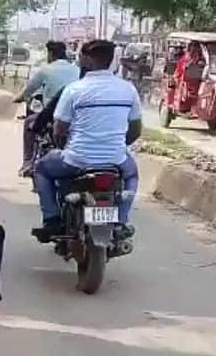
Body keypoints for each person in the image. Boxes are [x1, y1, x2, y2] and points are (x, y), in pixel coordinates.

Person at [32, 39, 141, 240]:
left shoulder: (74, 89)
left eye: (82, 56)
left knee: (41, 169)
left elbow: (59, 130)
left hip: (77, 160)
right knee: (132, 175)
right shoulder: (128, 89)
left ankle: (52, 219)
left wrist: (63, 144)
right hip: (116, 160)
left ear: (87, 60)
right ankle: (121, 221)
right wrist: (114, 146)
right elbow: (135, 130)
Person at [14, 41, 80, 175]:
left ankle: (28, 162)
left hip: (52, 113)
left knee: (29, 123)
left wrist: (19, 98)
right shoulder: (76, 69)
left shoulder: (45, 69)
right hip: (75, 113)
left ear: (50, 54)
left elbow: (29, 89)